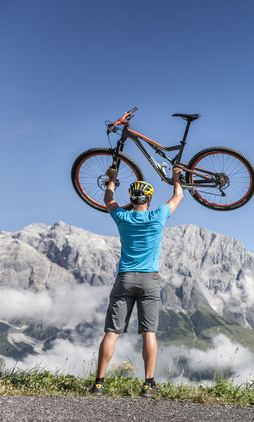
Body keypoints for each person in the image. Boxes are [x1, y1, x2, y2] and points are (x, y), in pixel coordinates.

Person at [90, 165, 183, 397]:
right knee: (148, 333)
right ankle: (148, 384)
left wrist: (111, 179)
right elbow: (178, 195)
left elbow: (108, 200)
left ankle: (99, 384)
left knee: (112, 332)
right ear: (149, 199)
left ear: (132, 199)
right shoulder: (158, 215)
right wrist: (176, 177)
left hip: (124, 279)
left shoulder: (122, 217)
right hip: (148, 280)